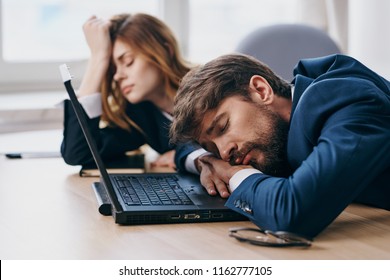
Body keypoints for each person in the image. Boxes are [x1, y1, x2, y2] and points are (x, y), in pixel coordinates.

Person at [169, 53, 390, 238]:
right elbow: (183, 151)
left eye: (223, 126)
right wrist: (205, 162)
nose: (225, 153)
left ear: (261, 90)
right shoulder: (278, 132)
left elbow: (292, 213)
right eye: (213, 148)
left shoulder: (348, 100)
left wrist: (235, 175)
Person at [61, 13, 191, 168]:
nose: (117, 76)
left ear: (165, 51)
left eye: (128, 62)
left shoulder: (212, 86)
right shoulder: (140, 118)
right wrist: (98, 58)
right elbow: (78, 153)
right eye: (113, 69)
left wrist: (186, 156)